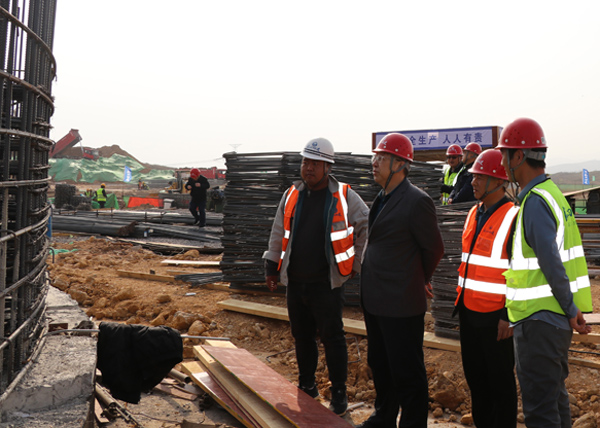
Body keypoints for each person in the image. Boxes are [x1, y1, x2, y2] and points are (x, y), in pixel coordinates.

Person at [263, 137, 369, 416]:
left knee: (333, 337)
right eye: (305, 162)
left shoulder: (344, 196)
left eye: (315, 163)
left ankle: (339, 393)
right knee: (302, 336)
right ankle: (307, 385)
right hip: (296, 281)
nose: (308, 168)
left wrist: (356, 263)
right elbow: (278, 232)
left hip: (327, 284)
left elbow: (366, 225)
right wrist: (271, 267)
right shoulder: (292, 195)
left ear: (327, 167)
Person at [498, 118, 593, 428]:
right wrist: (571, 310)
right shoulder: (553, 195)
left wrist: (569, 308)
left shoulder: (535, 202)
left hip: (539, 321)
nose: (503, 164)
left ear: (518, 156)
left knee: (540, 412)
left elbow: (551, 263)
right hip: (554, 321)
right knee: (554, 400)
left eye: (505, 156)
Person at [359, 133, 444, 428]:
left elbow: (434, 249)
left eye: (381, 158)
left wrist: (419, 277)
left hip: (401, 303)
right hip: (376, 299)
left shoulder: (417, 201)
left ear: (400, 164)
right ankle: (384, 417)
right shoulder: (382, 197)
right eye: (375, 157)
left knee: (407, 372)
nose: (374, 162)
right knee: (381, 364)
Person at [453, 149, 519, 428]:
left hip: (496, 318)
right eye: (473, 177)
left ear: (499, 181)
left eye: (480, 177)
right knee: (477, 381)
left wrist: (509, 315)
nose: (473, 182)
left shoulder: (514, 217)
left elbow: (521, 273)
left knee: (500, 384)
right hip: (468, 312)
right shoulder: (473, 212)